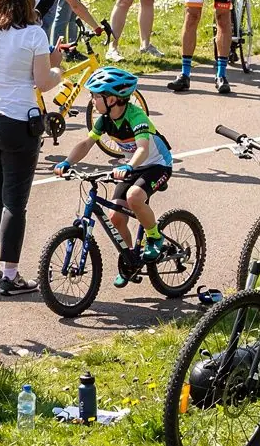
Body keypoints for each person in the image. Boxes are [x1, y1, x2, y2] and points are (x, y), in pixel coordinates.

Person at [0, 0, 64, 294]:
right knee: (15, 201)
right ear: (28, 1)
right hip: (16, 120)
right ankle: (10, 275)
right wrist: (57, 67)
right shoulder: (34, 34)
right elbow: (42, 82)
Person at [54, 67, 173, 284]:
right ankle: (131, 259)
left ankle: (155, 237)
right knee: (116, 217)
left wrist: (128, 167)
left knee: (134, 197)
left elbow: (142, 148)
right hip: (133, 167)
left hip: (157, 165)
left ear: (111, 99)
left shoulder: (136, 116)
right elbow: (86, 143)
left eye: (95, 96)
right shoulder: (105, 119)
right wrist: (67, 162)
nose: (91, 101)